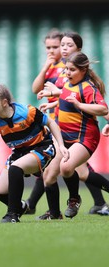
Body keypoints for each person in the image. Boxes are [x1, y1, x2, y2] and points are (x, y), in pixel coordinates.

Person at [0, 84, 69, 223]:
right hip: (19, 152)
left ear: (5, 102)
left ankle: (12, 214)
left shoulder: (27, 112)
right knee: (0, 192)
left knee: (15, 168)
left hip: (42, 147)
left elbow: (51, 123)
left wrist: (60, 145)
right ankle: (22, 206)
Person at [34, 32, 108, 219]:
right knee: (49, 176)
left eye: (71, 70)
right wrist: (52, 103)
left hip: (83, 136)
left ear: (82, 69)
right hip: (64, 135)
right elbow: (66, 96)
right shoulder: (68, 80)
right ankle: (55, 213)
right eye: (66, 70)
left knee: (70, 169)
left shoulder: (88, 86)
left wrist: (79, 105)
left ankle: (75, 199)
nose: (67, 73)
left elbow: (102, 108)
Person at [24, 29, 64, 215]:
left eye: (55, 47)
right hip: (53, 120)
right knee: (50, 166)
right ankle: (33, 205)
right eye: (48, 47)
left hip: (67, 119)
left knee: (78, 169)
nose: (51, 51)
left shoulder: (68, 67)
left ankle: (36, 205)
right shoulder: (50, 67)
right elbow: (35, 89)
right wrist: (45, 67)